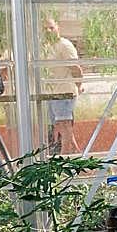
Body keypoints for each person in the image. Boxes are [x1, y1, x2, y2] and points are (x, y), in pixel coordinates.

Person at [42, 15, 83, 154]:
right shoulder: (46, 47)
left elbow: (75, 68)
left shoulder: (64, 45)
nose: (48, 31)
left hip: (64, 92)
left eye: (51, 28)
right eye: (45, 29)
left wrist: (79, 85)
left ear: (57, 27)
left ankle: (65, 157)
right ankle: (77, 155)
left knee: (64, 124)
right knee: (58, 125)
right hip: (51, 93)